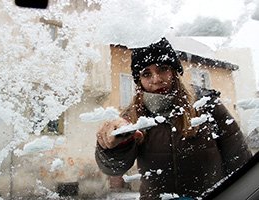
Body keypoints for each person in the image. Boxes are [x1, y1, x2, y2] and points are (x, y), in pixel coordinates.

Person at [95, 37, 252, 199]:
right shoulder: (132, 117)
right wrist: (113, 146)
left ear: (174, 72)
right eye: (146, 74)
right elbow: (114, 168)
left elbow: (239, 159)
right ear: (139, 81)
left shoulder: (206, 104)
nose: (156, 79)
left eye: (162, 69)